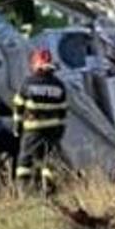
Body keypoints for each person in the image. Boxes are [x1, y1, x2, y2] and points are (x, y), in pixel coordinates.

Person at [13, 48, 68, 193]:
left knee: (25, 160)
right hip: (53, 130)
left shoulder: (28, 83)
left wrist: (17, 127)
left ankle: (23, 190)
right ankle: (49, 190)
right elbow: (63, 110)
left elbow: (18, 107)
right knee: (49, 160)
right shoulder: (59, 85)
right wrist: (60, 130)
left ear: (35, 64)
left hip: (33, 129)